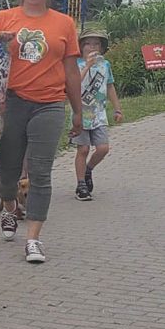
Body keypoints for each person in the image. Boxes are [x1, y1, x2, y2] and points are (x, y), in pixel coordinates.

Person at [0, 0, 83, 264]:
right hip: (12, 103)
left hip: (50, 104)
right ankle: (9, 206)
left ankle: (33, 239)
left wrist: (78, 111)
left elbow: (71, 70)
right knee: (6, 173)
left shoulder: (64, 23)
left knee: (40, 173)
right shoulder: (3, 18)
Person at [73, 30, 123, 201]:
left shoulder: (105, 65)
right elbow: (74, 84)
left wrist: (117, 109)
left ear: (102, 48)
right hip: (80, 114)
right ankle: (81, 184)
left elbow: (110, 86)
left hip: (98, 114)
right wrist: (87, 65)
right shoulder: (76, 64)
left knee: (103, 148)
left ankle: (88, 169)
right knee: (83, 149)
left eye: (96, 44)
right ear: (81, 47)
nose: (92, 47)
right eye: (88, 44)